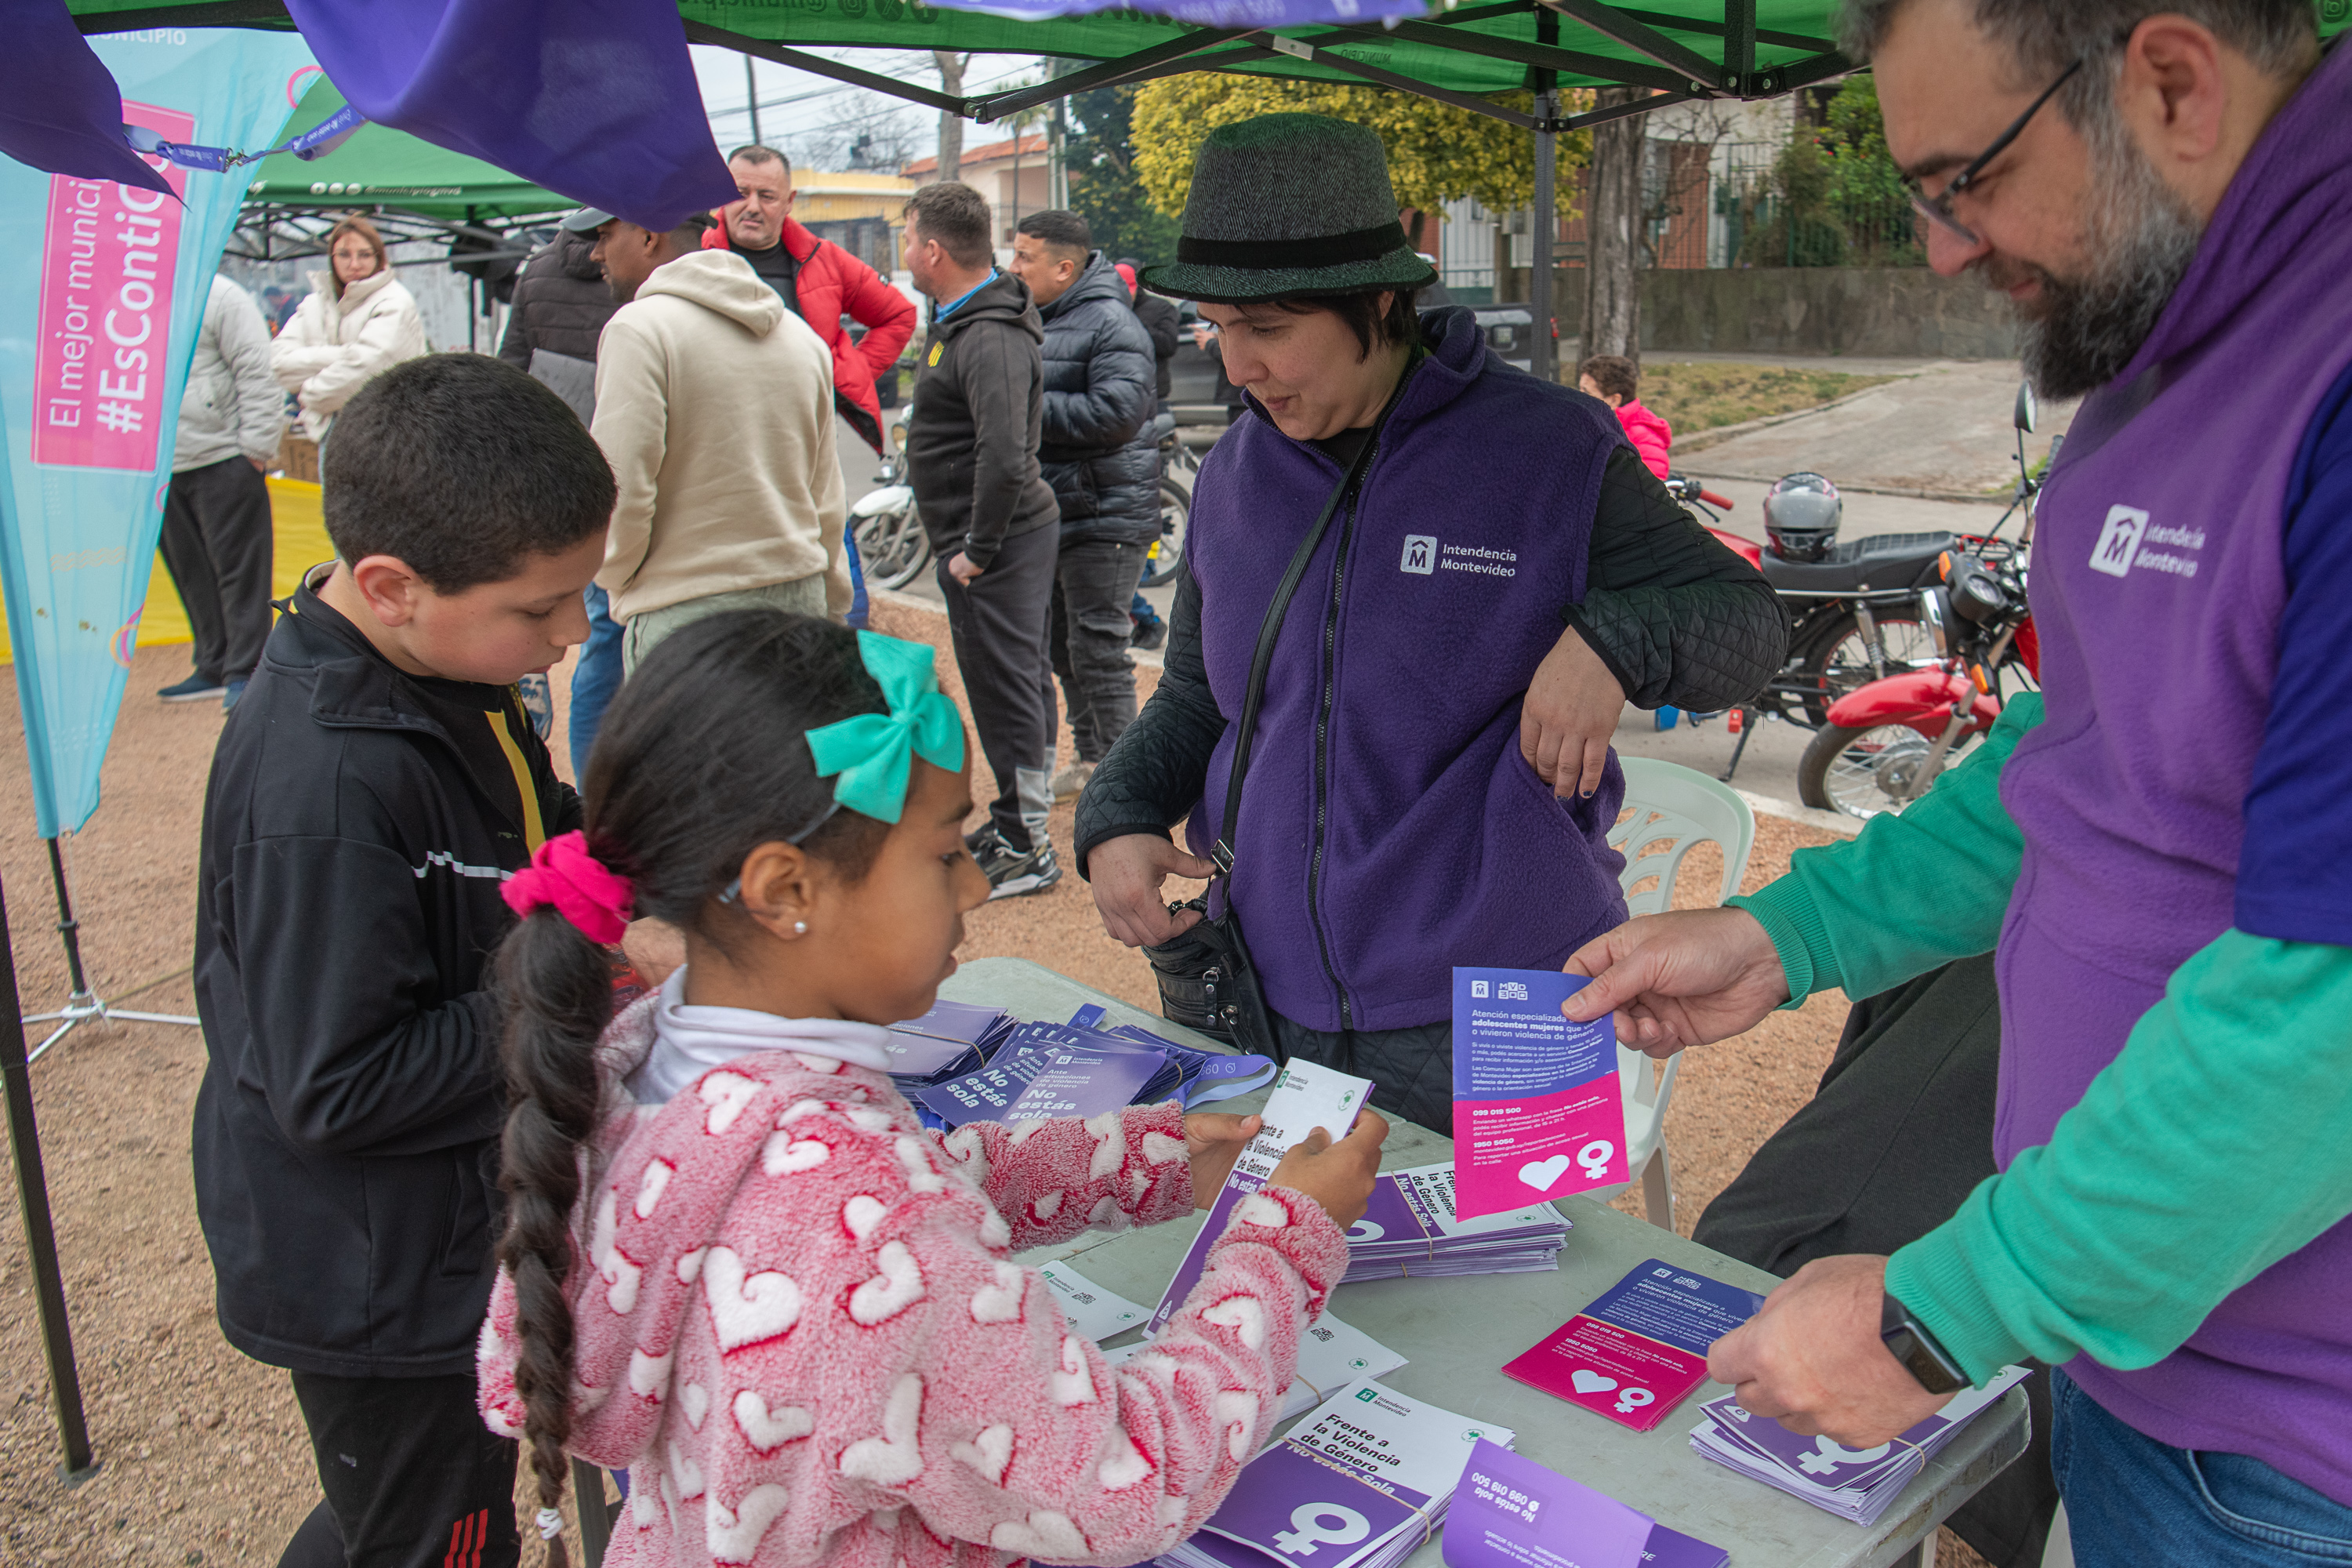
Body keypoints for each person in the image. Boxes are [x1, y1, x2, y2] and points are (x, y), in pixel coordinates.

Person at [1563, 4, 2352, 1563]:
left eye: (1961, 180)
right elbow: (2078, 762)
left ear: (2171, 82)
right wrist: (1795, 934)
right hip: (2139, 1358)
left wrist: (1937, 1312)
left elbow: (2326, 1011)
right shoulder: (2158, 344)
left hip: (2300, 1461)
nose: (1938, 250)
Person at [475, 610, 1389, 1568]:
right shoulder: (869, 1237)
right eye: (945, 853)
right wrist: (1282, 1245)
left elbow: (888, 1176)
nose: (976, 890)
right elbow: (1122, 1482)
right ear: (786, 889)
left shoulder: (651, 1068)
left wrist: (1151, 1158)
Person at [1076, 115, 1784, 1135]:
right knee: (1272, 1281)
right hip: (1258, 993)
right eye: (1218, 327)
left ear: (1378, 298)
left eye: (1267, 329)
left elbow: (1749, 625)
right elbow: (1200, 697)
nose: (1237, 367)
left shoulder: (1550, 449)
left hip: (1513, 1003)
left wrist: (1611, 641)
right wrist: (1118, 816)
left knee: (1517, 1282)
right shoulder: (1236, 473)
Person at [191, 353, 611, 1568]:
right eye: (539, 610)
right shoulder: (324, 780)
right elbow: (339, 1082)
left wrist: (640, 851)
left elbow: (533, 831)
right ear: (390, 585)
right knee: (437, 1532)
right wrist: (596, 976)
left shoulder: (444, 665)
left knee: (392, 1518)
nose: (568, 635)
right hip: (383, 1279)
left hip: (451, 1232)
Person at [574, 206, 847, 673]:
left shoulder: (639, 329)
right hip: (798, 604)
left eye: (603, 234)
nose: (596, 252)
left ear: (648, 234)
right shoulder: (801, 338)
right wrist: (831, 604)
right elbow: (826, 495)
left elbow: (620, 487)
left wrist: (615, 575)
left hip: (688, 614)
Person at [898, 181, 1065, 899]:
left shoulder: (990, 334)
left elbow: (1004, 455)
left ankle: (1029, 846)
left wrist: (979, 549)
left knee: (1008, 688)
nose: (905, 252)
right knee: (1015, 681)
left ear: (933, 250)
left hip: (997, 544)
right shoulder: (963, 320)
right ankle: (1018, 824)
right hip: (992, 540)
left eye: (906, 239)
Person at [1007, 211, 1159, 804]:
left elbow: (1118, 415)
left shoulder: (1110, 322)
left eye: (1024, 257)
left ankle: (1126, 785)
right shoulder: (1036, 320)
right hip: (1057, 511)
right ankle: (1094, 758)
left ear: (1063, 267)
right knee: (1062, 646)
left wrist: (1018, 409)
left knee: (1098, 648)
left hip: (1106, 515)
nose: (1012, 267)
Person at [497, 223, 623, 778]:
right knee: (610, 624)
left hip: (550, 463)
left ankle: (589, 789)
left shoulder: (538, 269)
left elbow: (510, 369)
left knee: (590, 623)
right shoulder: (640, 272)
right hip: (620, 468)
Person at [706, 143, 920, 456]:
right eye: (740, 193)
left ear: (789, 201)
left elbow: (898, 315)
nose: (752, 206)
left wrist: (849, 373)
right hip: (716, 437)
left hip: (803, 440)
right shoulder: (692, 256)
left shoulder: (826, 260)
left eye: (766, 196)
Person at [158, 274, 281, 713]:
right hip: (162, 462)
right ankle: (212, 664)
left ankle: (246, 670)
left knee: (239, 569)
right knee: (190, 571)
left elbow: (258, 369)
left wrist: (256, 448)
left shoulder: (222, 296)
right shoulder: (130, 296)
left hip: (224, 454)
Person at [269, 214, 429, 444]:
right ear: (332, 258)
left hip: (387, 435)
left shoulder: (395, 301)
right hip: (330, 435)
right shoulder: (314, 303)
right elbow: (279, 364)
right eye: (344, 255)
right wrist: (346, 355)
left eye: (364, 255)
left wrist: (311, 393)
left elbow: (369, 369)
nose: (354, 264)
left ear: (378, 256)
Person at [1577, 355, 1671, 480]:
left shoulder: (1644, 441)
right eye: (1579, 390)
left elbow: (1650, 495)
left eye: (1587, 393)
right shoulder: (1591, 426)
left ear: (1613, 400)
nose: (1578, 398)